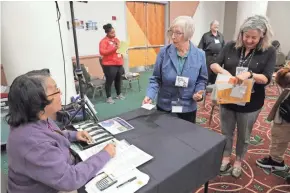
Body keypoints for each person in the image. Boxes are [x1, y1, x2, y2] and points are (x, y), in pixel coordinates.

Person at [6, 69, 116, 193]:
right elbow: (71, 180)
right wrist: (105, 154)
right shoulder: (34, 143)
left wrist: (74, 135)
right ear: (37, 101)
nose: (61, 93)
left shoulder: (37, 118)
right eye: (55, 90)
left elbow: (51, 135)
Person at [210, 15, 276, 178]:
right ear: (241, 34)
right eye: (246, 36)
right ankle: (225, 157)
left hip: (251, 103)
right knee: (226, 131)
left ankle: (239, 160)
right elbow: (214, 64)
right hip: (227, 97)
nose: (249, 40)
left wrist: (251, 74)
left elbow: (267, 78)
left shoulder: (269, 51)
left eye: (254, 37)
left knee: (244, 136)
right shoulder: (231, 46)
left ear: (262, 35)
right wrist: (222, 70)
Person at [143, 16, 208, 123]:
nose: (173, 36)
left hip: (187, 107)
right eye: (172, 32)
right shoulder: (164, 52)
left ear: (188, 35)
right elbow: (156, 78)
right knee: (162, 137)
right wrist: (150, 95)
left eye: (178, 33)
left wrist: (198, 94)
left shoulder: (200, 55)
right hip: (165, 106)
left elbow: (202, 80)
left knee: (185, 138)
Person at [256, 67, 290, 171]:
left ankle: (276, 161)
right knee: (280, 136)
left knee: (280, 136)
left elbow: (284, 77)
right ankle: (276, 159)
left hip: (286, 117)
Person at [99, 23, 125, 104]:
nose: (114, 34)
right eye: (112, 33)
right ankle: (109, 97)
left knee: (118, 80)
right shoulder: (104, 41)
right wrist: (114, 48)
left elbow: (120, 50)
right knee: (109, 81)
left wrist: (123, 50)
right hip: (109, 64)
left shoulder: (116, 40)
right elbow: (102, 52)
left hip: (119, 63)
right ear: (107, 33)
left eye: (114, 32)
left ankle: (119, 94)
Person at [198, 20, 225, 84]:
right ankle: (204, 91)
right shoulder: (206, 35)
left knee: (216, 77)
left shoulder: (221, 36)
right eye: (215, 25)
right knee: (206, 76)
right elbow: (200, 48)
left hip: (218, 59)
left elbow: (224, 48)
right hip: (208, 58)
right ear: (211, 26)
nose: (216, 26)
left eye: (217, 25)